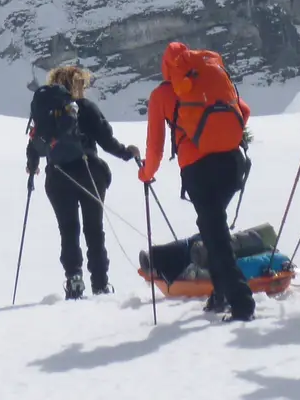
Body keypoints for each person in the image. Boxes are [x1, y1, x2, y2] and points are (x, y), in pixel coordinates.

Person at [137, 42, 256, 322]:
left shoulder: (162, 94)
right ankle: (221, 292)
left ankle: (242, 302)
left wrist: (146, 173)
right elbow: (244, 111)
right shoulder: (209, 80)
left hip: (198, 170)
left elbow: (155, 147)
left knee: (215, 234)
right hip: (232, 162)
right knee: (211, 227)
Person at [26, 65, 140, 299]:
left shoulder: (46, 110)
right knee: (94, 229)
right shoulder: (84, 108)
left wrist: (33, 165)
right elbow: (106, 140)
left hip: (57, 175)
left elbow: (35, 141)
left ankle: (74, 280)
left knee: (68, 230)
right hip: (89, 172)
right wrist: (127, 153)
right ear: (77, 83)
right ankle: (100, 283)